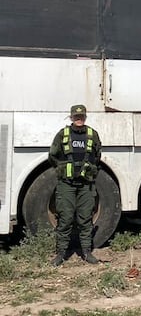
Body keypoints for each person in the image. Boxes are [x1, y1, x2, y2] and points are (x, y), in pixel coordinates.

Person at [48, 104, 102, 266]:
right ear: (71, 117)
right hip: (67, 184)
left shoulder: (93, 134)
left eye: (82, 117)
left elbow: (97, 156)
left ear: (85, 117)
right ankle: (61, 254)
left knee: (85, 219)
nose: (79, 119)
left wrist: (90, 172)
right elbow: (52, 156)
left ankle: (86, 252)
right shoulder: (63, 134)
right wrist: (63, 170)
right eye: (76, 117)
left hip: (86, 184)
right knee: (65, 218)